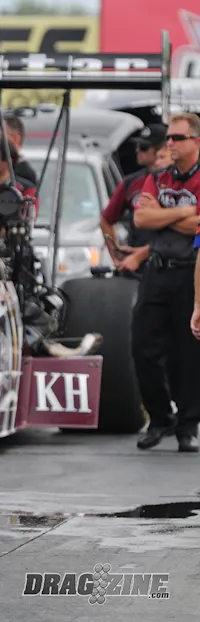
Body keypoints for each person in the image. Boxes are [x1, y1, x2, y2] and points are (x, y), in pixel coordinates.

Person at [133, 112, 200, 452]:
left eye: (177, 138)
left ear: (196, 141)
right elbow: (141, 218)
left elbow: (198, 228)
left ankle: (188, 427)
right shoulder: (158, 178)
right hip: (157, 271)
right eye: (168, 138)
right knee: (142, 346)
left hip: (191, 272)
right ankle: (160, 418)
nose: (169, 143)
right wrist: (184, 213)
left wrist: (162, 215)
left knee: (188, 354)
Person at [100, 124, 170, 274]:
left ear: (164, 149)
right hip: (138, 266)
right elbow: (105, 220)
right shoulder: (131, 183)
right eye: (137, 145)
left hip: (171, 263)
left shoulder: (182, 182)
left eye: (144, 147)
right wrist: (115, 255)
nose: (137, 150)